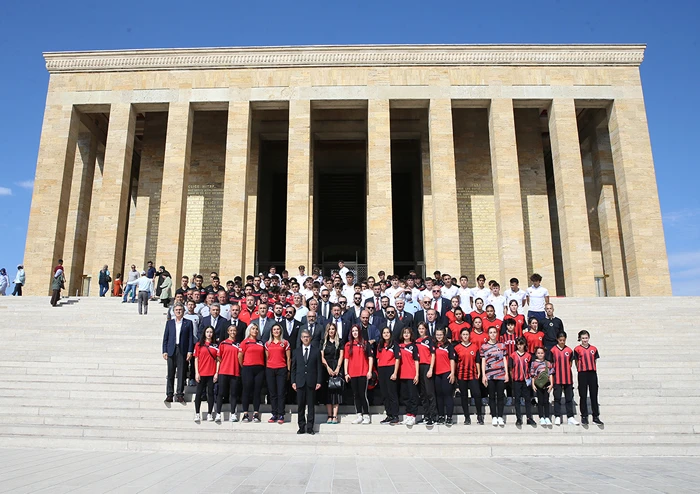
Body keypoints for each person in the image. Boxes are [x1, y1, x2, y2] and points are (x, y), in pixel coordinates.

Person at [162, 303, 194, 403]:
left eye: (180, 309)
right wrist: (164, 350)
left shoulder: (188, 323)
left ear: (183, 311)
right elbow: (165, 338)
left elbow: (190, 338)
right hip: (171, 350)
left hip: (182, 350)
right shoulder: (170, 323)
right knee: (170, 373)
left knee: (181, 373)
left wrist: (190, 351)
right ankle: (169, 394)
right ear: (174, 311)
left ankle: (180, 394)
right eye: (177, 310)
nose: (178, 311)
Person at [292, 329, 322, 435]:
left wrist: (319, 381)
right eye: (304, 337)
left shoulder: (316, 351)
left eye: (307, 337)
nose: (305, 339)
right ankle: (301, 427)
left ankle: (310, 427)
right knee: (300, 406)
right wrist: (293, 381)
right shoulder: (296, 351)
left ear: (310, 338)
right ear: (301, 338)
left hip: (311, 382)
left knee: (310, 406)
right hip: (300, 382)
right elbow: (293, 368)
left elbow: (319, 367)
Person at [344, 325, 373, 424]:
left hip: (363, 373)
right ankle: (359, 414)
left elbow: (370, 357)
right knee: (356, 395)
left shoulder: (365, 344)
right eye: (353, 331)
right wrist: (346, 373)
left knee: (362, 394)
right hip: (353, 373)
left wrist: (369, 371)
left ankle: (366, 415)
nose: (355, 333)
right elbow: (346, 359)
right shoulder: (348, 345)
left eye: (356, 331)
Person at [454, 328, 483, 425]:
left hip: (473, 374)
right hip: (462, 375)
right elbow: (455, 362)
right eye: (463, 334)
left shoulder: (475, 347)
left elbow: (477, 361)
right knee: (464, 396)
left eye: (467, 334)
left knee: (477, 394)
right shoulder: (457, 348)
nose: (465, 336)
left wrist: (479, 372)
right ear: (461, 336)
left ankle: (479, 415)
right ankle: (467, 417)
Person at [549, 331, 579, 425]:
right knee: (557, 398)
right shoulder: (553, 350)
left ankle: (570, 417)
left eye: (564, 340)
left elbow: (570, 364)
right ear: (557, 340)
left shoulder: (569, 350)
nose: (562, 342)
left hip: (567, 378)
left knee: (569, 398)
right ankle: (557, 416)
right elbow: (550, 364)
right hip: (557, 377)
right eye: (560, 340)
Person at [574, 330, 603, 425]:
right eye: (583, 338)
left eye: (586, 338)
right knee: (583, 395)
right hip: (582, 373)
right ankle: (584, 416)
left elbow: (595, 360)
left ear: (589, 338)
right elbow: (576, 361)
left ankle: (595, 416)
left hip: (592, 373)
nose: (585, 340)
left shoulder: (593, 348)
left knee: (594, 394)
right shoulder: (577, 349)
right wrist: (579, 369)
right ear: (580, 339)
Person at [481, 326, 508, 426]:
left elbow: (505, 359)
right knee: (491, 396)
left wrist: (506, 373)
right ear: (488, 334)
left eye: (494, 332)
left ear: (497, 334)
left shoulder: (502, 345)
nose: (492, 334)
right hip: (490, 375)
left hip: (500, 374)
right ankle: (494, 416)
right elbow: (483, 361)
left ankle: (500, 416)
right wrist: (483, 375)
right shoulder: (484, 347)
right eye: (490, 332)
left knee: (500, 396)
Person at [238, 323, 265, 423]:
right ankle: (245, 413)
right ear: (249, 330)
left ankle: (256, 413)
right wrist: (244, 366)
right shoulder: (245, 342)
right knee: (246, 390)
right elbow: (240, 356)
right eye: (253, 329)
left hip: (259, 369)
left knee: (257, 391)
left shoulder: (261, 342)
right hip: (248, 368)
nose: (255, 331)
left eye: (256, 329)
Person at [265, 323, 291, 424]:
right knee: (272, 393)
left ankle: (281, 414)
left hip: (282, 369)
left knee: (281, 392)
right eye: (274, 329)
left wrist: (288, 370)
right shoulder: (267, 344)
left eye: (278, 329)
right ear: (272, 331)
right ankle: (274, 413)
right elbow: (267, 357)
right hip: (270, 369)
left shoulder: (285, 343)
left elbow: (288, 358)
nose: (276, 331)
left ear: (281, 331)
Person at [193, 326, 219, 422]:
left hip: (211, 373)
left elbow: (218, 360)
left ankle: (209, 413)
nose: (209, 334)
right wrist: (197, 372)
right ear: (204, 333)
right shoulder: (199, 345)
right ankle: (197, 413)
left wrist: (216, 372)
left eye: (211, 332)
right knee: (199, 393)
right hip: (201, 372)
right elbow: (196, 359)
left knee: (211, 393)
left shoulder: (216, 345)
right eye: (207, 332)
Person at [376, 327, 401, 425]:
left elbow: (398, 359)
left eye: (387, 332)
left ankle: (395, 415)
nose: (386, 334)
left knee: (392, 393)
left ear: (390, 334)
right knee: (385, 394)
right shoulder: (380, 345)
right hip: (382, 370)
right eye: (384, 333)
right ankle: (389, 414)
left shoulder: (394, 344)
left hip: (391, 369)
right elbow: (378, 358)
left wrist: (395, 373)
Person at [216, 325, 241, 422]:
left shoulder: (239, 344)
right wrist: (225, 362)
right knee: (221, 393)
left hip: (235, 372)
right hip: (224, 371)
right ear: (228, 331)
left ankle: (233, 414)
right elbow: (218, 356)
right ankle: (218, 413)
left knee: (233, 394)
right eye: (231, 330)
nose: (233, 332)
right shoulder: (223, 343)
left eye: (234, 330)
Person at [510, 337, 536, 426]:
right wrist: (512, 378)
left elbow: (531, 368)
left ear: (524, 344)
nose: (519, 346)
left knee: (527, 399)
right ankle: (518, 418)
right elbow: (511, 368)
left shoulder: (528, 356)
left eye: (521, 344)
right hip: (517, 380)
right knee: (517, 399)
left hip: (526, 380)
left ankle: (529, 417)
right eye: (518, 344)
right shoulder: (513, 355)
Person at [321, 323, 344, 424]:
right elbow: (322, 356)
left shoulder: (340, 341)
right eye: (329, 329)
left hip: (337, 366)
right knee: (327, 393)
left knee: (336, 392)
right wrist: (328, 368)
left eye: (333, 329)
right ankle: (329, 415)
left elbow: (341, 355)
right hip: (326, 368)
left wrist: (338, 368)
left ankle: (335, 415)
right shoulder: (323, 341)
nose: (331, 331)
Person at [415, 322, 437, 425]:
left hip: (427, 366)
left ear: (426, 329)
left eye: (423, 328)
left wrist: (431, 369)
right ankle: (426, 415)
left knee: (429, 393)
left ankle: (433, 416)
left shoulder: (430, 340)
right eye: (419, 329)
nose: (421, 330)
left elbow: (433, 355)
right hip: (419, 367)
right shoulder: (416, 341)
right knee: (423, 393)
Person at [433, 328, 456, 425]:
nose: (439, 336)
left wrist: (452, 373)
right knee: (439, 396)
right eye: (437, 335)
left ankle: (449, 417)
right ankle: (441, 416)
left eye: (440, 335)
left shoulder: (449, 346)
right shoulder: (434, 345)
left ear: (444, 335)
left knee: (447, 395)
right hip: (436, 373)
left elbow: (452, 359)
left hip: (447, 372)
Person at [398, 326, 420, 426]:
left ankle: (413, 415)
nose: (406, 334)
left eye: (408, 333)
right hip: (402, 374)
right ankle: (408, 414)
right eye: (404, 333)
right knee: (405, 396)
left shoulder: (413, 346)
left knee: (413, 396)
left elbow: (416, 361)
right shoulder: (399, 346)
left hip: (411, 374)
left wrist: (417, 374)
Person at [530, 346, 554, 425]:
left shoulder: (548, 363)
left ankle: (547, 417)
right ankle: (541, 417)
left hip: (546, 384)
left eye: (542, 353)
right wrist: (533, 384)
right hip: (538, 384)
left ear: (544, 354)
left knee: (546, 401)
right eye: (538, 353)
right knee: (540, 401)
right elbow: (532, 375)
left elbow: (550, 374)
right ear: (536, 354)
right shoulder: (533, 363)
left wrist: (551, 384)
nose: (540, 355)